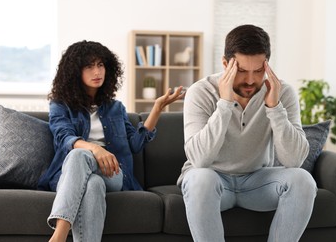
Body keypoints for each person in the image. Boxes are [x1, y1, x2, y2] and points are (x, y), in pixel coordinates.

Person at [177, 24, 317, 242]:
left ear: (267, 66)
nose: (251, 81)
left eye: (259, 70)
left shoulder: (281, 92)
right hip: (213, 181)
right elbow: (199, 160)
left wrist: (275, 108)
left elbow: (294, 160)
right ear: (226, 64)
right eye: (242, 71)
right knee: (201, 178)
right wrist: (224, 104)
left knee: (303, 180)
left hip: (257, 182)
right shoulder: (201, 92)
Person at [37, 40, 184, 242]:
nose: (97, 71)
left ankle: (59, 235)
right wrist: (95, 150)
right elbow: (63, 137)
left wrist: (157, 108)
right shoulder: (61, 105)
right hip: (72, 171)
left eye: (100, 65)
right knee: (93, 183)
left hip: (112, 171)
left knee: (83, 159)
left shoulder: (116, 108)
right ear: (75, 72)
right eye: (89, 66)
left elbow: (135, 144)